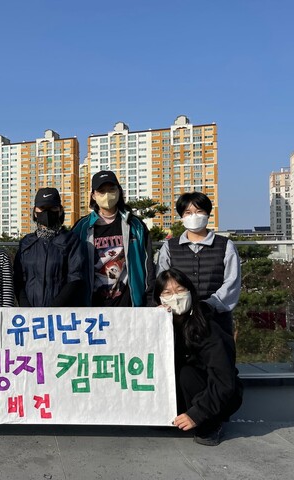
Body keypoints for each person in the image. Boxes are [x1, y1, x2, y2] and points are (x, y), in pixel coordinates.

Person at [155, 268, 242, 446]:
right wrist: (153, 322)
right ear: (159, 299)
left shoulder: (208, 327)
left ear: (191, 292)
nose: (175, 297)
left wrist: (198, 414)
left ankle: (210, 424)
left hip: (218, 397)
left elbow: (224, 380)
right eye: (167, 293)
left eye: (180, 290)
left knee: (187, 373)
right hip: (184, 395)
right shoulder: (160, 326)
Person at [156, 191, 241, 335]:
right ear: (182, 217)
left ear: (208, 214)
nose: (193, 216)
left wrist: (209, 305)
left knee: (217, 356)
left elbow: (232, 282)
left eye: (199, 211)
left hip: (216, 320)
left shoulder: (225, 245)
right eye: (188, 212)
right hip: (177, 320)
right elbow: (161, 281)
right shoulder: (169, 247)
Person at [72, 170, 155, 307]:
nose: (107, 195)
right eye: (101, 191)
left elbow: (148, 265)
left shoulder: (135, 226)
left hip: (128, 304)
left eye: (111, 189)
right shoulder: (82, 228)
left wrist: (149, 301)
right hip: (93, 305)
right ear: (93, 195)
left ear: (119, 191)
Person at [13, 187, 88, 307]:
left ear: (60, 211)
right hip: (30, 315)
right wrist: (25, 307)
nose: (47, 213)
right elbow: (18, 279)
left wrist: (54, 309)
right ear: (35, 212)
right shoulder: (26, 243)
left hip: (61, 315)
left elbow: (75, 277)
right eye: (42, 208)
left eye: (52, 208)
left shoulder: (71, 241)